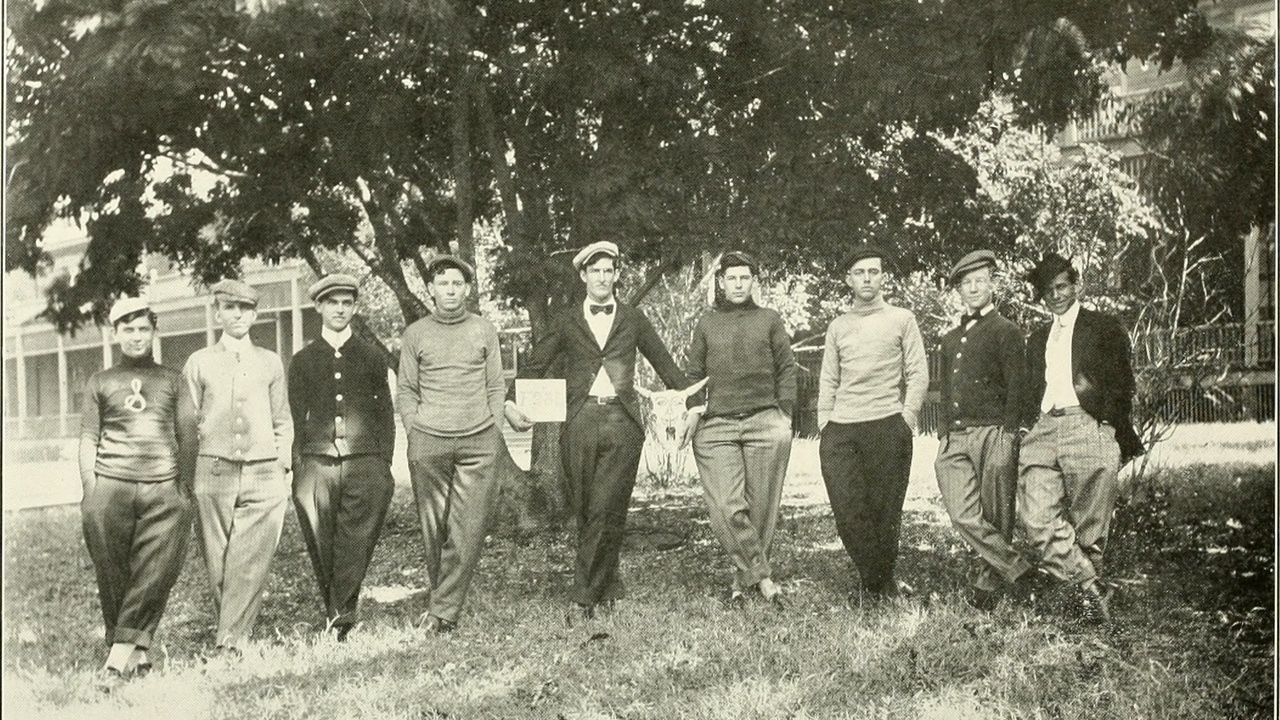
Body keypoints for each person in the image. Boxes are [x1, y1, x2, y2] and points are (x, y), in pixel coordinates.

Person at [506, 241, 690, 620]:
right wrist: (510, 401)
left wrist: (695, 401)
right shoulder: (566, 319)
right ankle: (607, 587)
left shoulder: (633, 318)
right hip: (580, 420)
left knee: (608, 507)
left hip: (622, 423)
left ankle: (582, 598)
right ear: (583, 276)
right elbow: (537, 362)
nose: (603, 278)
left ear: (617, 275)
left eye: (609, 270)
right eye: (596, 271)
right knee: (588, 510)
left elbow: (666, 365)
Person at [1019, 252, 1144, 623]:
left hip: (1086, 422)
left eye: (1062, 286)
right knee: (1037, 519)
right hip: (1045, 427)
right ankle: (1092, 586)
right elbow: (1031, 387)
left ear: (1076, 285)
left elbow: (1123, 383)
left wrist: (1108, 427)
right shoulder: (1038, 337)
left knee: (1090, 527)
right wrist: (1028, 425)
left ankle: (1087, 604)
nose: (1056, 295)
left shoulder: (1103, 327)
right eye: (1048, 291)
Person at [80, 297, 197, 680]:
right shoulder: (100, 381)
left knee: (155, 571)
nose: (136, 336)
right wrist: (91, 492)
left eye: (143, 328)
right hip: (110, 486)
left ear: (153, 332)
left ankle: (115, 661)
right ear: (115, 333)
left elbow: (188, 436)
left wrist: (183, 488)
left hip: (162, 487)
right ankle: (138, 656)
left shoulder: (173, 380)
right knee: (112, 572)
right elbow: (89, 438)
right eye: (127, 329)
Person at [397, 256, 509, 634]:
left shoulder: (483, 329)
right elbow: (406, 390)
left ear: (467, 289)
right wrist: (415, 430)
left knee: (468, 529)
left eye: (457, 284)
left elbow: (496, 385)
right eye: (443, 284)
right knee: (435, 529)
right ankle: (444, 608)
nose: (450, 290)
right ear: (430, 289)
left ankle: (442, 610)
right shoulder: (415, 334)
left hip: (479, 439)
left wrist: (493, 428)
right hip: (429, 440)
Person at [679, 251, 796, 608]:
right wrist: (693, 410)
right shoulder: (707, 323)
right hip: (717, 423)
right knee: (726, 507)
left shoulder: (769, 319)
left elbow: (786, 368)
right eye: (732, 278)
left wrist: (785, 413)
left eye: (745, 278)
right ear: (721, 282)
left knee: (761, 507)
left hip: (765, 420)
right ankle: (762, 577)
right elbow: (694, 374)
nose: (739, 284)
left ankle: (742, 580)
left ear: (753, 281)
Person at [183, 279, 293, 653]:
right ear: (217, 313)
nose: (237, 315)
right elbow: (188, 421)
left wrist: (282, 464)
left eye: (245, 308)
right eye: (229, 308)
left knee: (251, 559)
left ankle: (230, 642)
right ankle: (233, 633)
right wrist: (190, 473)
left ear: (255, 315)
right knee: (219, 560)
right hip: (213, 470)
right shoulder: (199, 362)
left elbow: (282, 419)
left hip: (264, 470)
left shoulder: (270, 361)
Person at [817, 244, 928, 603]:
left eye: (874, 272)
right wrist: (824, 424)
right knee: (848, 510)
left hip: (887, 425)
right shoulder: (838, 326)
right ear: (848, 279)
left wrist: (906, 419)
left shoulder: (902, 319)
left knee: (886, 509)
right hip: (842, 429)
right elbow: (829, 379)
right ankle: (879, 579)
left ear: (883, 277)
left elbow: (918, 374)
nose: (867, 279)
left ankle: (875, 585)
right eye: (859, 273)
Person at [289, 274, 396, 641]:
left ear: (354, 307)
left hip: (365, 460)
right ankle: (338, 611)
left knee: (356, 539)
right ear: (319, 306)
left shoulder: (371, 356)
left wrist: (383, 463)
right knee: (320, 538)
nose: (339, 309)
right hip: (316, 460)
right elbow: (294, 416)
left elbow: (385, 413)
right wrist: (298, 467)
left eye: (346, 303)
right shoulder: (303, 360)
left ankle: (340, 618)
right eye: (332, 302)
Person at [933, 250, 1034, 611]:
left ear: (993, 284)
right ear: (959, 290)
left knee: (996, 513)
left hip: (995, 431)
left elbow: (1018, 385)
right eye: (966, 283)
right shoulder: (950, 339)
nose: (974, 288)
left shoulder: (1006, 331)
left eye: (980, 281)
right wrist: (944, 431)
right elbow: (945, 390)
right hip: (956, 435)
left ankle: (987, 585)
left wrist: (1010, 431)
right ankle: (1017, 567)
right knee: (962, 511)